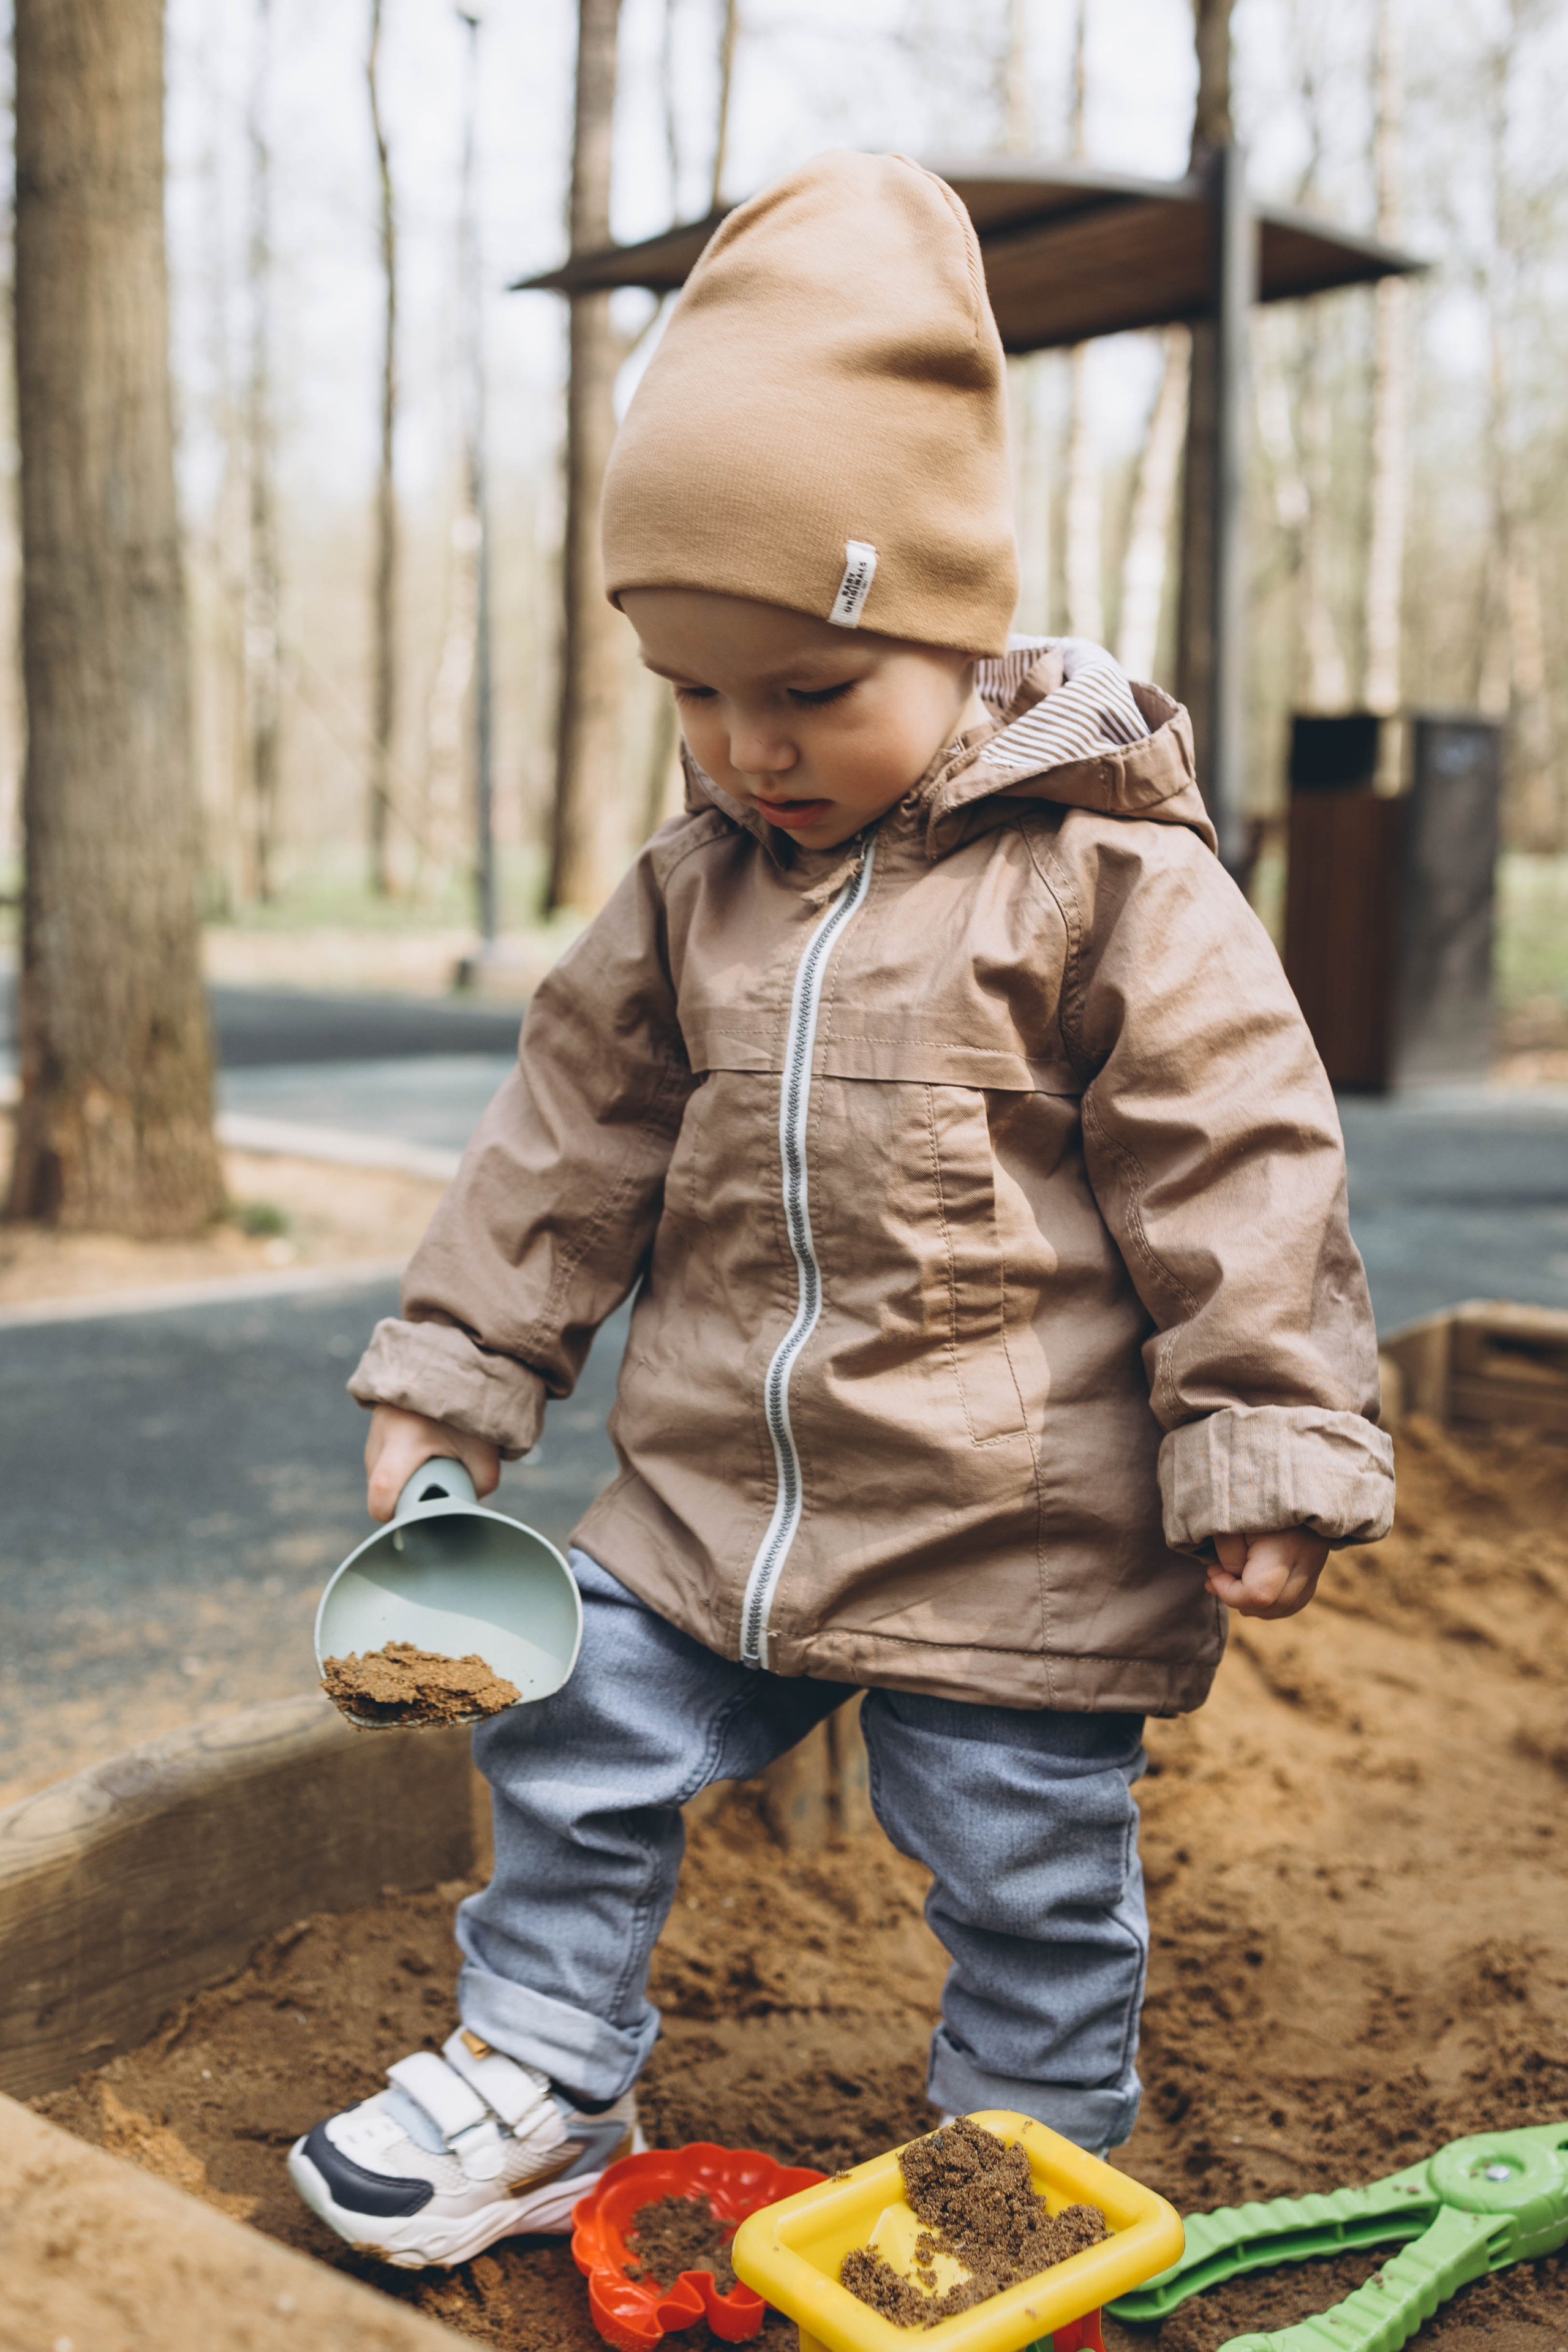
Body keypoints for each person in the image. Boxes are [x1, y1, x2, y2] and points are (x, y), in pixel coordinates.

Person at [287, 151, 1393, 2271]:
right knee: (572, 1741)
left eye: (810, 688)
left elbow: (1241, 1167)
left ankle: (1022, 2164)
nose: (749, 747)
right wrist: (459, 1372)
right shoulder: (693, 887)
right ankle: (541, 2066)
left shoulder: (1106, 885)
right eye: (696, 693)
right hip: (712, 1511)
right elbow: (566, 1137)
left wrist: (1266, 1431)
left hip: (1020, 1540)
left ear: (950, 624)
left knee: (1022, 1866)